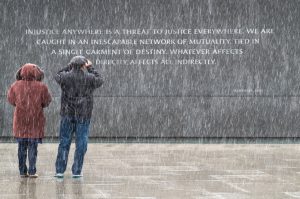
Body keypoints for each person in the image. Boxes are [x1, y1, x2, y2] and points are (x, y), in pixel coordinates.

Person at [54, 56, 104, 178]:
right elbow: (100, 79)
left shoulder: (65, 77)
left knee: (64, 142)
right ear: (83, 66)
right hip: (84, 114)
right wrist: (91, 68)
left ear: (72, 65)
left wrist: (69, 66)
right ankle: (76, 171)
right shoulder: (90, 78)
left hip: (67, 114)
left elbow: (57, 75)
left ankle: (60, 170)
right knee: (81, 142)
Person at [7, 63, 52, 178]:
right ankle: (32, 171)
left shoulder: (15, 85)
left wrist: (20, 105)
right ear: (36, 73)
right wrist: (37, 105)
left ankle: (22, 171)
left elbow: (11, 100)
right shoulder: (42, 86)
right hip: (35, 121)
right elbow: (47, 101)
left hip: (20, 121)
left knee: (21, 147)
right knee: (33, 147)